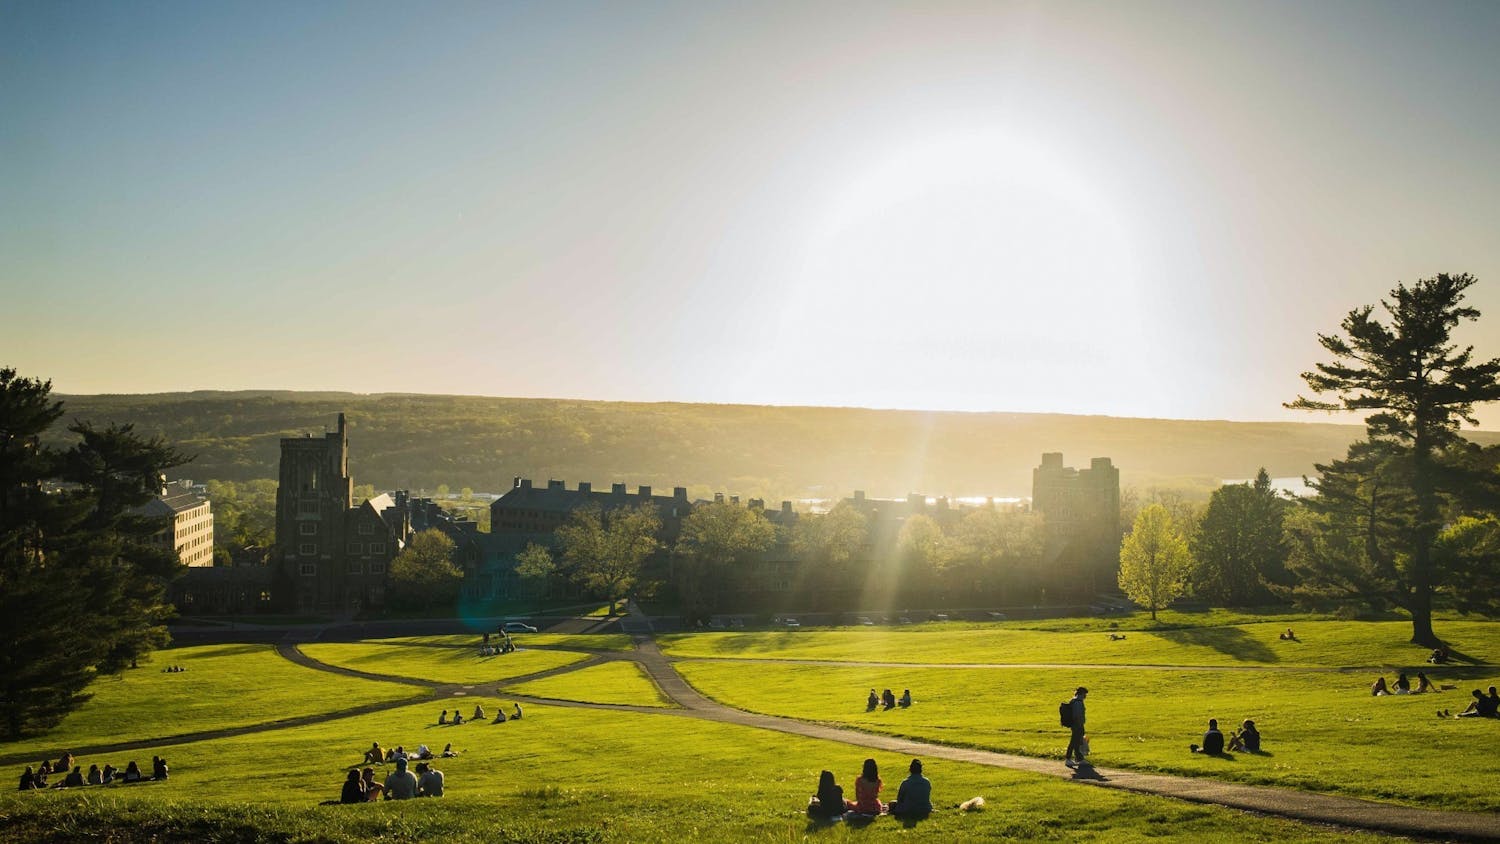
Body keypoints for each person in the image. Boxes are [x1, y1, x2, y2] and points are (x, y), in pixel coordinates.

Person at [1065, 687, 1088, 768]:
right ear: (1081, 694)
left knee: (1076, 742)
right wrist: (1080, 725)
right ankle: (1068, 758)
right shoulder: (1078, 702)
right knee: (1074, 742)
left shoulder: (1074, 701)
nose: (1085, 696)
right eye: (1084, 694)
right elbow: (1077, 716)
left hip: (1076, 725)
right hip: (1077, 725)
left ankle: (1079, 758)